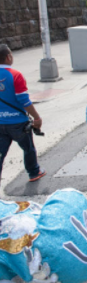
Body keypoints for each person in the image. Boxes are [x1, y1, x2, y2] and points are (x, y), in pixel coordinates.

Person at [0, 44, 46, 185]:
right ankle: (34, 172)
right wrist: (36, 117)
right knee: (28, 148)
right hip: (18, 122)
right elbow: (24, 101)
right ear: (8, 57)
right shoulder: (15, 75)